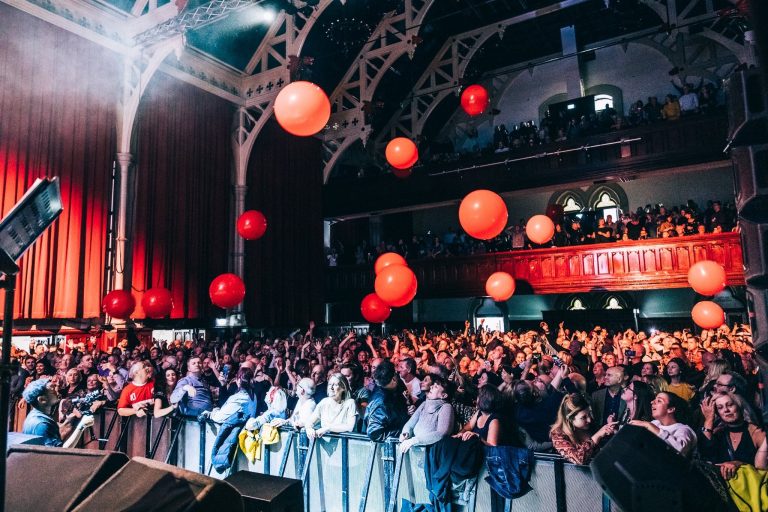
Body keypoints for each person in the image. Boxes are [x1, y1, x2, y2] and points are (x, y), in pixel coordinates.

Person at [699, 392, 766, 480]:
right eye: (720, 408)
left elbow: (763, 470)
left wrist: (740, 464)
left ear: (739, 405)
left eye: (730, 405)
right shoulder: (718, 433)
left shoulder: (757, 433)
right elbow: (706, 455)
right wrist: (709, 420)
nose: (726, 410)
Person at [21, 377, 94, 448]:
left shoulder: (35, 415)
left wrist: (67, 424)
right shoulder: (42, 425)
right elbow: (58, 454)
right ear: (42, 400)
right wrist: (82, 426)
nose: (57, 392)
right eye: (53, 392)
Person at [550, 393, 618, 464]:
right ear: (570, 420)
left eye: (589, 414)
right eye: (583, 417)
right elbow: (578, 459)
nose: (589, 420)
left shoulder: (590, 425)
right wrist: (596, 437)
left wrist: (612, 429)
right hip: (574, 474)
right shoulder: (558, 434)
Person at [629, 392, 697, 458]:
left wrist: (649, 426)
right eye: (654, 399)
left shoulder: (683, 429)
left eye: (659, 401)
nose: (652, 402)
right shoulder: (655, 423)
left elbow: (680, 448)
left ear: (670, 409)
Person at [399, 376, 455, 453]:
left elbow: (441, 433)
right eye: (433, 385)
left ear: (444, 395)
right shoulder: (424, 404)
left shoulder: (446, 407)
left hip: (432, 451)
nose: (431, 387)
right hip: (417, 449)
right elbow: (410, 423)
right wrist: (406, 433)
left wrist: (415, 440)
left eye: (435, 387)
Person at [364, 360, 409, 441]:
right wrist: (401, 433)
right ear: (393, 379)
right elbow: (374, 433)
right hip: (385, 448)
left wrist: (408, 409)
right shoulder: (381, 402)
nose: (398, 374)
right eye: (396, 373)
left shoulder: (396, 388)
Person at [305, 373, 357, 439]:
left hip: (344, 446)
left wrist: (328, 428)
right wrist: (309, 429)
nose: (331, 388)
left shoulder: (350, 403)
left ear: (343, 388)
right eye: (329, 384)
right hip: (324, 445)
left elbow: (350, 427)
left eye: (335, 385)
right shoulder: (324, 402)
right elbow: (309, 422)